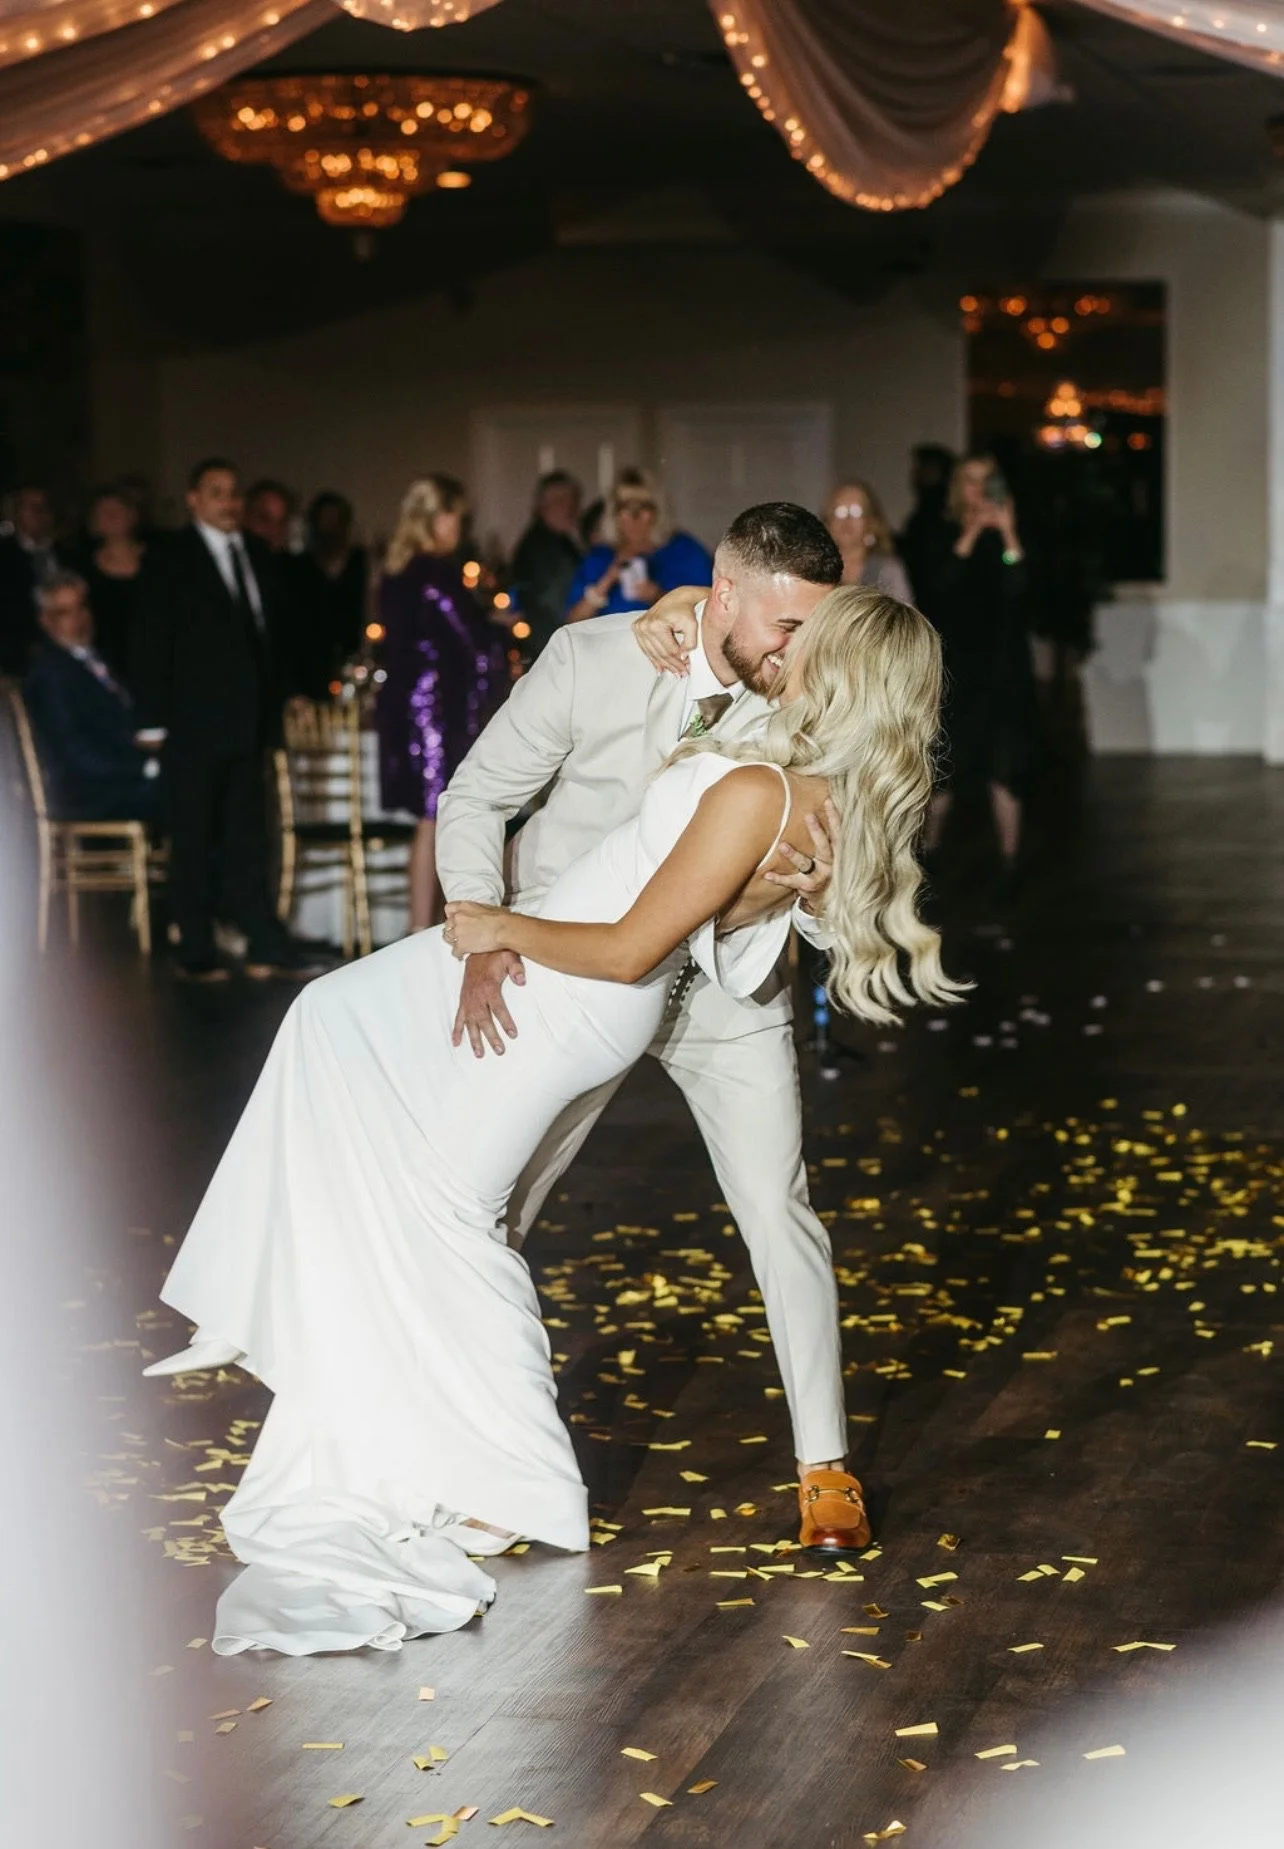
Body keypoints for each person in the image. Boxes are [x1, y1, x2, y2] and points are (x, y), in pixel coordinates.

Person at [143, 565, 959, 1657]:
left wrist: (502, 933)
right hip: (575, 963)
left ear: (838, 664)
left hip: (617, 979)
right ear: (729, 599)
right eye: (783, 620)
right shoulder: (701, 690)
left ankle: (602, 1473)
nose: (789, 642)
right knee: (357, 1066)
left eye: (814, 630)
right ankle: (287, 1327)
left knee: (495, 1205)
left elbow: (653, 934)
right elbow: (502, 795)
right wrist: (663, 618)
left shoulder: (780, 788)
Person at [131, 457, 329, 983]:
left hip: (248, 722)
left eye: (233, 492)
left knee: (249, 836)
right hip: (191, 722)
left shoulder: (256, 556)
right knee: (192, 834)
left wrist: (286, 694)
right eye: (216, 492)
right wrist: (151, 722)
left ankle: (262, 940)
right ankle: (195, 946)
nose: (229, 501)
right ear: (193, 499)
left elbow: (267, 637)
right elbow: (152, 639)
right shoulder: (171, 558)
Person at [376, 474, 509, 931]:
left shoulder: (400, 572)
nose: (460, 525)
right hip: (434, 708)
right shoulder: (434, 573)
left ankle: (426, 924)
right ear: (433, 517)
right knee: (437, 816)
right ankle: (422, 927)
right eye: (456, 515)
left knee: (432, 817)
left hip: (414, 701)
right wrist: (496, 628)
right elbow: (468, 642)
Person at [920, 453, 1037, 884]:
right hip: (956, 670)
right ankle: (929, 855)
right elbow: (939, 591)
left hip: (1005, 670)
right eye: (970, 481)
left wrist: (1008, 534)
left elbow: (1022, 590)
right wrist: (969, 535)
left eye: (987, 480)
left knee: (1005, 768)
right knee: (946, 770)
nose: (979, 490)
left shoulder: (1011, 537)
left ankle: (1009, 863)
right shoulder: (942, 532)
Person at [23, 571, 159, 822]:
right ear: (46, 620)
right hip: (90, 793)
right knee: (185, 789)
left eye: (81, 607)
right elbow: (77, 755)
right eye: (65, 612)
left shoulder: (93, 658)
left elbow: (115, 725)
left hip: (115, 780)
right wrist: (145, 766)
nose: (79, 618)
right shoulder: (52, 675)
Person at [565, 469, 711, 622]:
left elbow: (708, 608)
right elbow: (573, 620)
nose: (635, 516)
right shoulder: (600, 557)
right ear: (614, 513)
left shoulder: (684, 551)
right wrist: (606, 581)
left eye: (643, 507)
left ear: (656, 511)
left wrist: (657, 595)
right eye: (625, 507)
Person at [509, 469, 583, 659]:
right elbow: (554, 605)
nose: (569, 507)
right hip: (548, 647)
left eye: (572, 500)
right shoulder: (539, 547)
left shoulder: (564, 543)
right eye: (560, 501)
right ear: (541, 506)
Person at [79, 485, 147, 686]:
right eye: (104, 513)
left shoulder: (159, 562)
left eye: (117, 510)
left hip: (154, 663)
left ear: (132, 515)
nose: (111, 517)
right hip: (106, 668)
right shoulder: (83, 569)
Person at [299, 490, 368, 680]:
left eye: (336, 520)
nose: (331, 527)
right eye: (325, 520)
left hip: (353, 657)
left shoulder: (360, 563)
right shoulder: (301, 567)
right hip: (311, 663)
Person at [0, 485, 65, 679]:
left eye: (43, 507)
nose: (38, 513)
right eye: (30, 507)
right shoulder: (4, 556)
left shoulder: (69, 553)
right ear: (16, 513)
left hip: (67, 651)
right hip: (19, 660)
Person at [825, 479, 914, 600]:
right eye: (839, 512)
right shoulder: (818, 570)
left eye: (856, 512)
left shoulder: (888, 571)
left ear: (871, 521)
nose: (847, 519)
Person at [897, 443, 956, 610]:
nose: (914, 474)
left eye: (921, 468)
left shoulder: (938, 511)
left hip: (934, 599)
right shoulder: (926, 509)